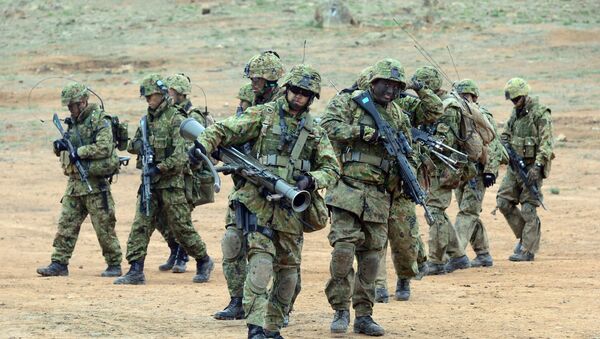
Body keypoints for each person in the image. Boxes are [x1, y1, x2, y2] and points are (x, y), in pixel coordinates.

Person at [191, 64, 339, 339]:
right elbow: (224, 130)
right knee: (260, 265)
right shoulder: (263, 115)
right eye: (295, 90)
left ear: (311, 98)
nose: (298, 97)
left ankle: (272, 327)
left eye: (305, 94)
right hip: (258, 204)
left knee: (288, 275)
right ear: (286, 89)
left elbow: (331, 169)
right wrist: (202, 143)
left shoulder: (315, 131)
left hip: (291, 211)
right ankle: (255, 327)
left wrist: (310, 179)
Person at [321, 58, 415, 336]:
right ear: (372, 82)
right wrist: (362, 133)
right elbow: (326, 127)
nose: (390, 90)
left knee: (372, 259)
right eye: (385, 83)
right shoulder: (350, 102)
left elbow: (408, 153)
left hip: (378, 195)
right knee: (343, 251)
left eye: (396, 86)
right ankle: (340, 309)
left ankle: (364, 315)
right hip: (346, 190)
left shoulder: (399, 115)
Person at [113, 73, 213, 285]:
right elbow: (133, 145)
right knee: (141, 224)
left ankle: (203, 260)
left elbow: (180, 156)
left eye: (152, 96)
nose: (149, 100)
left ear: (162, 94)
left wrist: (159, 168)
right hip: (150, 182)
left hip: (171, 183)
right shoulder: (146, 120)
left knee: (181, 227)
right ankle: (135, 269)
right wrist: (140, 147)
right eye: (146, 97)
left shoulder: (177, 119)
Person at [214, 51, 288, 322]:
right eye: (252, 78)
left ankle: (280, 307)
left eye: (257, 79)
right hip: (244, 187)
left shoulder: (287, 107)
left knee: (280, 254)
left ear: (271, 79)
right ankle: (238, 301)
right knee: (232, 242)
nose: (253, 83)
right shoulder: (248, 104)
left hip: (275, 192)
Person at [37, 83, 123, 278]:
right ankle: (59, 263)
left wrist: (80, 152)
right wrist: (60, 147)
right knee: (66, 224)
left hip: (95, 184)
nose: (70, 109)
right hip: (75, 183)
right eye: (68, 106)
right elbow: (70, 145)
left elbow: (104, 147)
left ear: (83, 102)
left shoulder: (100, 120)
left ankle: (114, 264)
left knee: (104, 226)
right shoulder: (73, 122)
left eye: (72, 105)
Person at [375, 66, 444, 302]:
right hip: (375, 181)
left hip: (403, 179)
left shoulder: (406, 106)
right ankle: (378, 285)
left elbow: (435, 110)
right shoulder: (365, 106)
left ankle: (404, 278)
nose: (390, 89)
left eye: (395, 85)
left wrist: (419, 88)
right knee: (375, 237)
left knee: (405, 238)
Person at [151, 73, 216, 274]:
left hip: (191, 175)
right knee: (161, 217)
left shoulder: (192, 116)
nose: (167, 95)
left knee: (180, 218)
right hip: (174, 173)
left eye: (170, 92)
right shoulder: (169, 113)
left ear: (179, 93)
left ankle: (184, 256)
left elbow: (193, 147)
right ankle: (175, 249)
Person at [414, 66, 473, 275]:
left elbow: (443, 141)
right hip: (433, 168)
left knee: (435, 211)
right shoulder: (433, 105)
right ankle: (458, 256)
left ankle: (436, 261)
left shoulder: (449, 107)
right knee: (436, 209)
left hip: (445, 168)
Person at [496, 77, 554, 261]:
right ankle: (525, 238)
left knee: (529, 207)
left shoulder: (540, 113)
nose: (514, 103)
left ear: (524, 95)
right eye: (512, 100)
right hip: (515, 166)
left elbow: (546, 143)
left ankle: (528, 249)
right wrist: (506, 148)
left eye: (516, 99)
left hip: (531, 167)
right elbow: (504, 135)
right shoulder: (515, 113)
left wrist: (538, 166)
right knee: (503, 201)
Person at [453, 79, 505, 267]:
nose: (463, 99)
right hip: (460, 172)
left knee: (467, 212)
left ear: (474, 97)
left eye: (466, 95)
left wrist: (490, 171)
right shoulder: (456, 115)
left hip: (478, 172)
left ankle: (454, 255)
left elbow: (495, 144)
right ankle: (483, 253)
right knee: (468, 212)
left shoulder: (483, 116)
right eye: (460, 95)